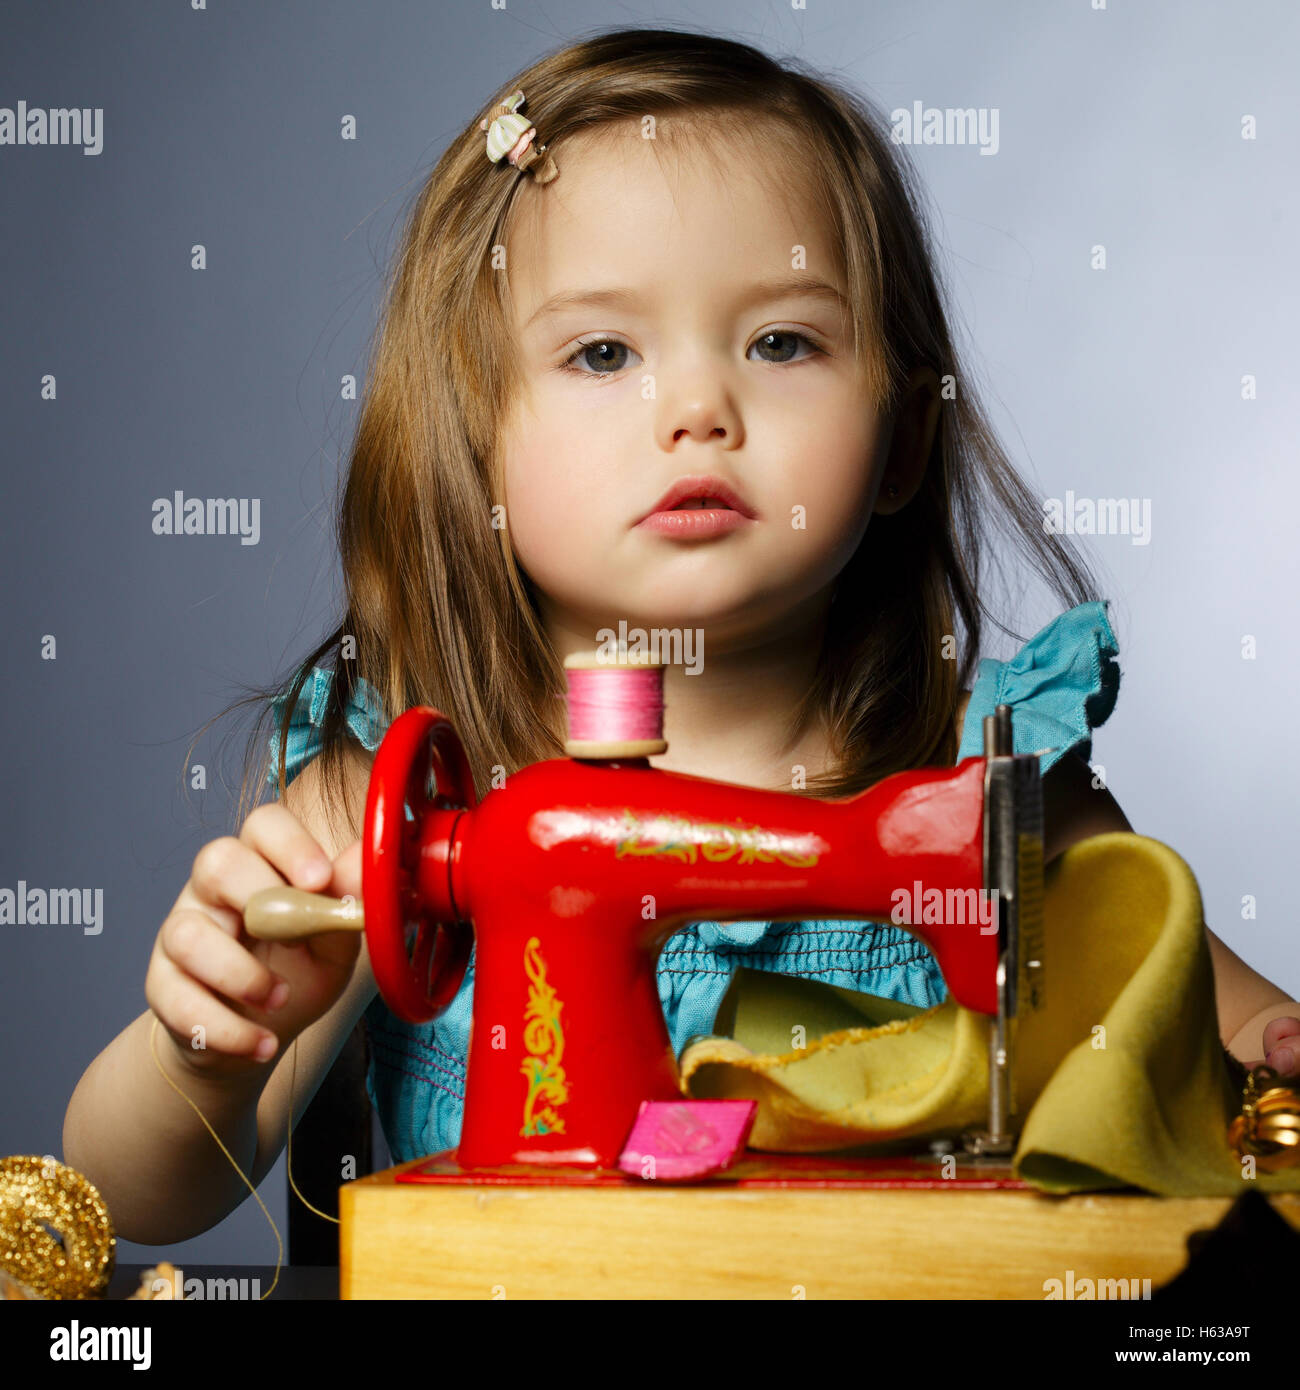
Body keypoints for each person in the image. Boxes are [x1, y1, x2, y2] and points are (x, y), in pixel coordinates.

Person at [63, 28, 1299, 1244]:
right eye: (603, 352)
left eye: (781, 342)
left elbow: (1240, 1068)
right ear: (472, 439)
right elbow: (136, 1199)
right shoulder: (381, 799)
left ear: (902, 443)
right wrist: (209, 1054)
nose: (698, 408)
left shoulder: (995, 774)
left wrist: (1264, 1074)